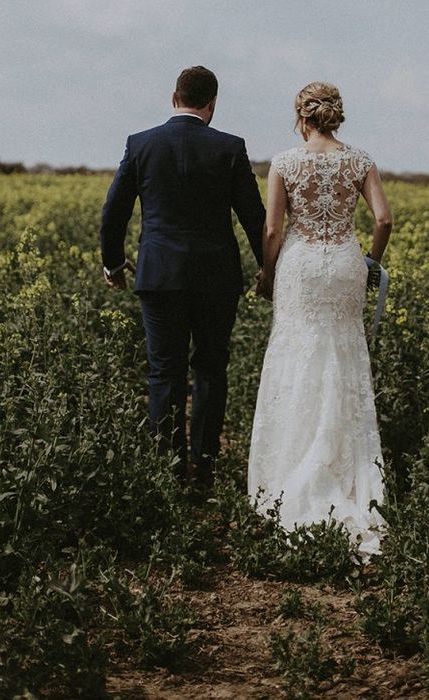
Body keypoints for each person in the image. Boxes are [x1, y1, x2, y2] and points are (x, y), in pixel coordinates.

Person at [100, 66, 265, 487]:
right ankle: (204, 468)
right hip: (216, 276)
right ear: (212, 104)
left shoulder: (141, 144)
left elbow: (114, 213)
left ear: (174, 98)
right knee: (211, 368)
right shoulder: (230, 147)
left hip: (159, 276)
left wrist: (114, 264)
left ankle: (169, 470)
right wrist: (270, 267)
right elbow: (253, 216)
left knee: (164, 372)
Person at [250, 82, 393, 556]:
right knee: (344, 354)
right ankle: (342, 472)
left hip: (302, 265)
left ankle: (289, 475)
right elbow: (384, 220)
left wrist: (268, 274)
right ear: (335, 116)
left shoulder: (286, 163)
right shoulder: (361, 161)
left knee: (297, 354)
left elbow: (273, 228)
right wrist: (370, 262)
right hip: (345, 264)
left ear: (302, 117)